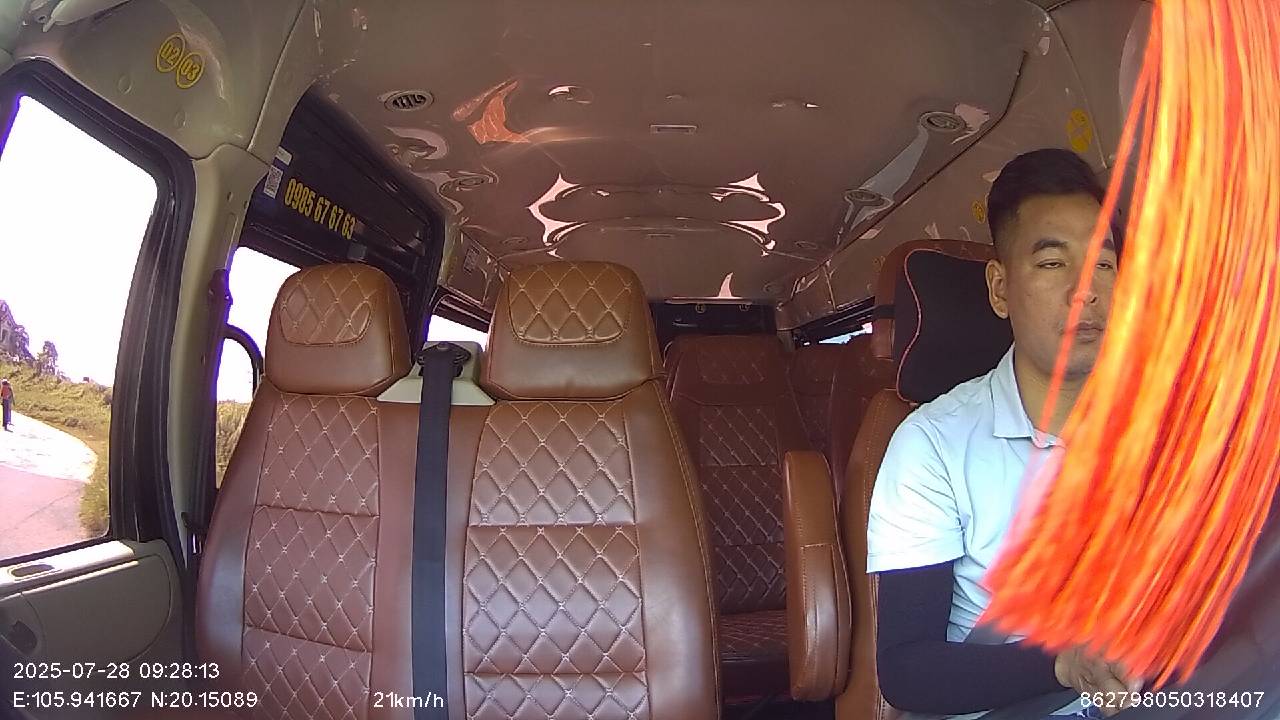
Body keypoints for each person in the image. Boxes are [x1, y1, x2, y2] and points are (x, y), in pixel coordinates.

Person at [866, 148, 1138, 719]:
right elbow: (907, 669)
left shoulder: (1170, 432)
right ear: (999, 288)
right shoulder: (931, 447)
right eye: (1052, 263)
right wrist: (1062, 665)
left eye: (1104, 264)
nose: (1085, 289)